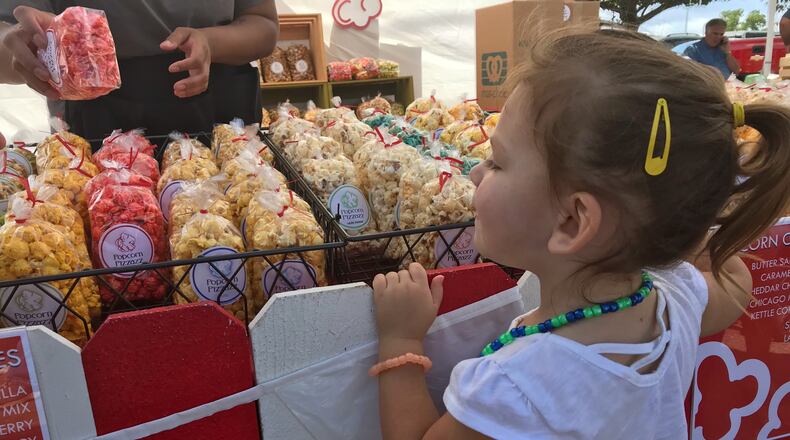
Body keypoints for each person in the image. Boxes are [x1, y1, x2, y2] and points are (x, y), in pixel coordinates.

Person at [369, 29, 790, 439]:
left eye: (497, 162)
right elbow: (736, 281)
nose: (476, 172)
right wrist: (667, 214)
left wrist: (400, 340)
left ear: (572, 222)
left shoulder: (517, 387)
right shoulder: (674, 301)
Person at [0, 1, 278, 145]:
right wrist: (23, 51)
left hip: (218, 112)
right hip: (95, 121)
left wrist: (209, 42)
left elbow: (263, 26)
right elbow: (8, 39)